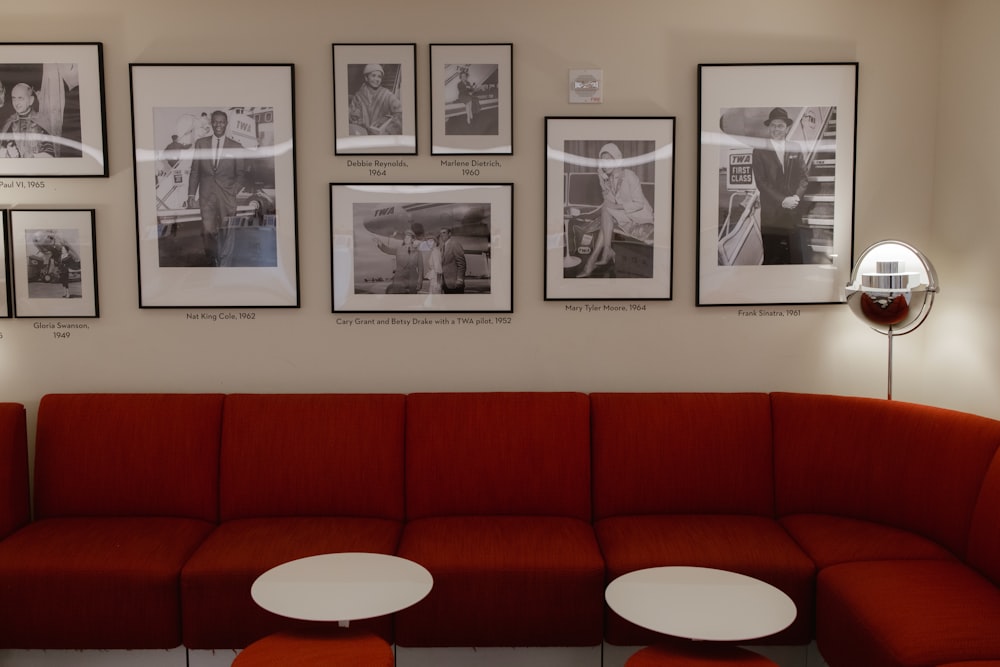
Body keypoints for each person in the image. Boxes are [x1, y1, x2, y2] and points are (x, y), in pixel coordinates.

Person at [577, 142, 654, 278]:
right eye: (602, 160)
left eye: (608, 159)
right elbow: (608, 200)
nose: (604, 164)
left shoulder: (630, 176)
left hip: (640, 215)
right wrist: (603, 181)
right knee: (606, 211)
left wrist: (615, 207)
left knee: (606, 211)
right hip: (623, 214)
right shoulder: (608, 178)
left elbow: (639, 204)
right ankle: (603, 253)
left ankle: (592, 261)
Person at [185, 110, 250, 266]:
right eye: (215, 121)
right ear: (211, 123)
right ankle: (213, 261)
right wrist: (191, 195)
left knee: (228, 231)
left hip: (227, 196)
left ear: (226, 124)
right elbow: (195, 171)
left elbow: (241, 174)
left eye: (221, 122)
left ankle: (225, 265)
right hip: (207, 196)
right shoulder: (201, 144)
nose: (218, 125)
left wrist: (233, 190)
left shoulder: (236, 146)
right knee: (208, 231)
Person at [751, 107, 810, 265]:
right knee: (772, 257)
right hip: (772, 217)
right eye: (773, 125)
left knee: (795, 257)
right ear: (769, 127)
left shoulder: (795, 147)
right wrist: (782, 200)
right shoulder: (759, 150)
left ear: (787, 128)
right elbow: (761, 182)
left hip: (793, 213)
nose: (776, 129)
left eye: (780, 125)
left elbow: (804, 177)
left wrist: (796, 197)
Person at [0, 83, 55, 158]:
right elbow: (4, 147)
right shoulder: (9, 123)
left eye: (20, 98)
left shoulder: (41, 121)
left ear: (31, 100)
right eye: (14, 98)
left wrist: (33, 157)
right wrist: (8, 151)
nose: (16, 102)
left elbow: (51, 153)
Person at [348, 64, 402, 136]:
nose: (377, 79)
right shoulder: (358, 96)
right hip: (363, 135)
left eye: (379, 76)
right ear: (366, 78)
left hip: (381, 137)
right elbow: (353, 118)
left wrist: (388, 131)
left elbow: (400, 112)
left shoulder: (386, 94)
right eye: (373, 75)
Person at [377, 228, 424, 294]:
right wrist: (380, 244)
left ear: (412, 239)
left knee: (412, 299)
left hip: (412, 279)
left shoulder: (418, 252)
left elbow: (421, 267)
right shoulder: (399, 249)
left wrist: (420, 280)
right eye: (405, 237)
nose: (406, 239)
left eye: (408, 237)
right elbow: (388, 250)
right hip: (399, 279)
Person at [439, 227, 466, 294]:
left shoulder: (455, 244)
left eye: (444, 232)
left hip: (456, 283)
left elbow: (461, 263)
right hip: (446, 284)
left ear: (449, 234)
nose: (442, 235)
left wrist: (460, 279)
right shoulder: (443, 247)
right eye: (441, 233)